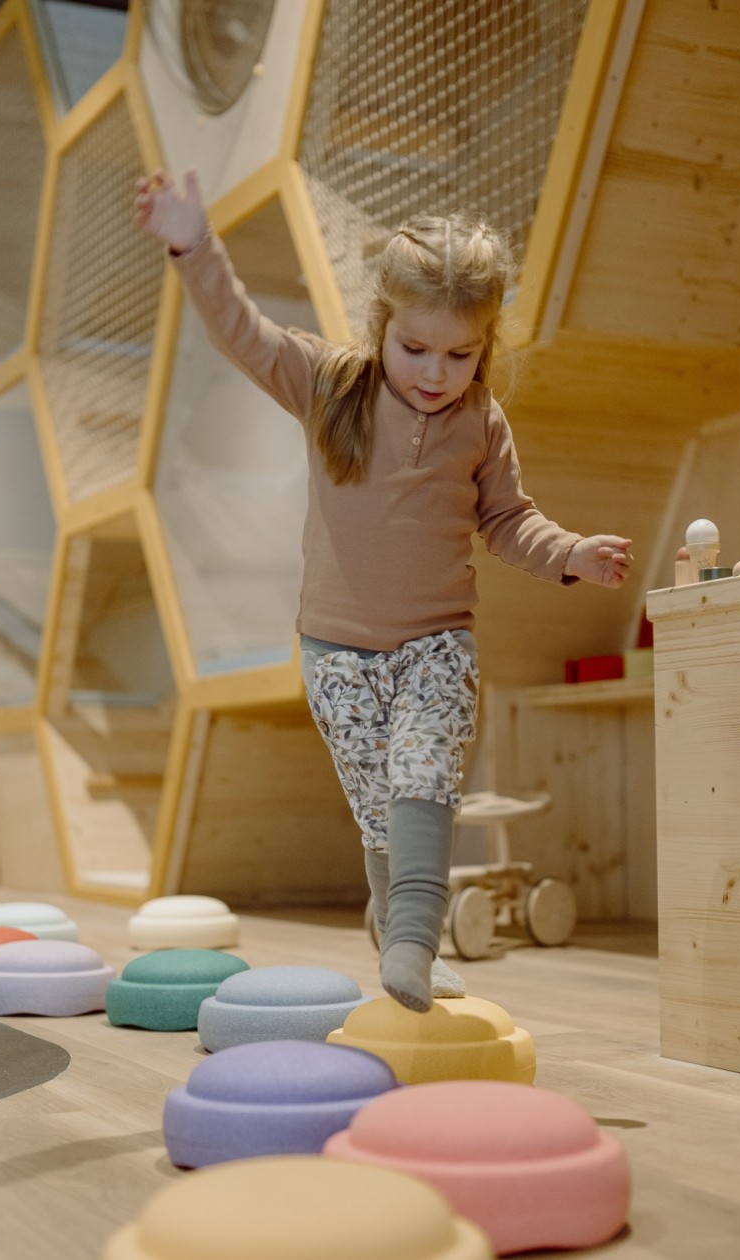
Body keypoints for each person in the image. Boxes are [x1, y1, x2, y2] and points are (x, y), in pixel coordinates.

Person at [135, 171, 632, 1011]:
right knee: (380, 814)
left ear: (484, 344)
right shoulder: (334, 385)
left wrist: (570, 553)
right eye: (416, 349)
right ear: (383, 327)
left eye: (461, 354)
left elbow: (508, 519)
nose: (437, 372)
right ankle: (399, 928)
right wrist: (193, 244)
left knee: (423, 776)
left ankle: (412, 936)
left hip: (437, 642)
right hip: (337, 653)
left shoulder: (482, 421)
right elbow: (243, 334)